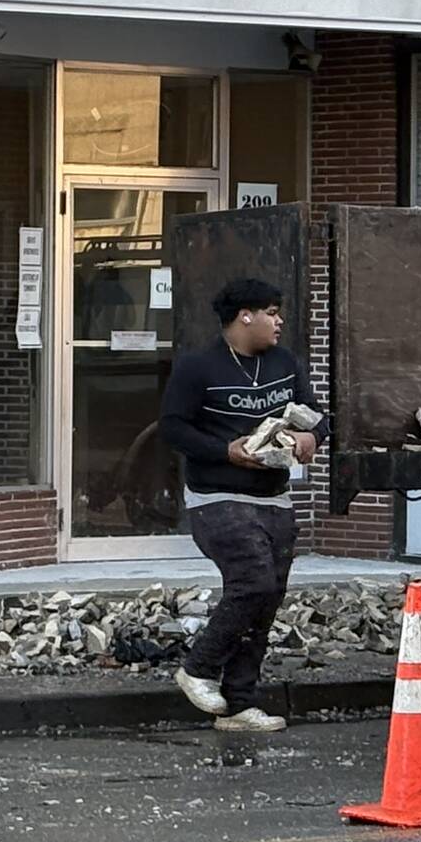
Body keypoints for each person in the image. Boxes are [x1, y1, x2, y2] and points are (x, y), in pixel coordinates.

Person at [160, 278, 327, 733]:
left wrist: (312, 436)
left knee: (268, 596)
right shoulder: (199, 367)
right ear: (244, 316)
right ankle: (197, 668)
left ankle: (239, 704)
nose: (279, 321)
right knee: (252, 581)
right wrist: (225, 451)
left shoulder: (285, 363)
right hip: (217, 496)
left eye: (279, 312)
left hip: (275, 496)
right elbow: (173, 428)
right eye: (270, 312)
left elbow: (316, 414)